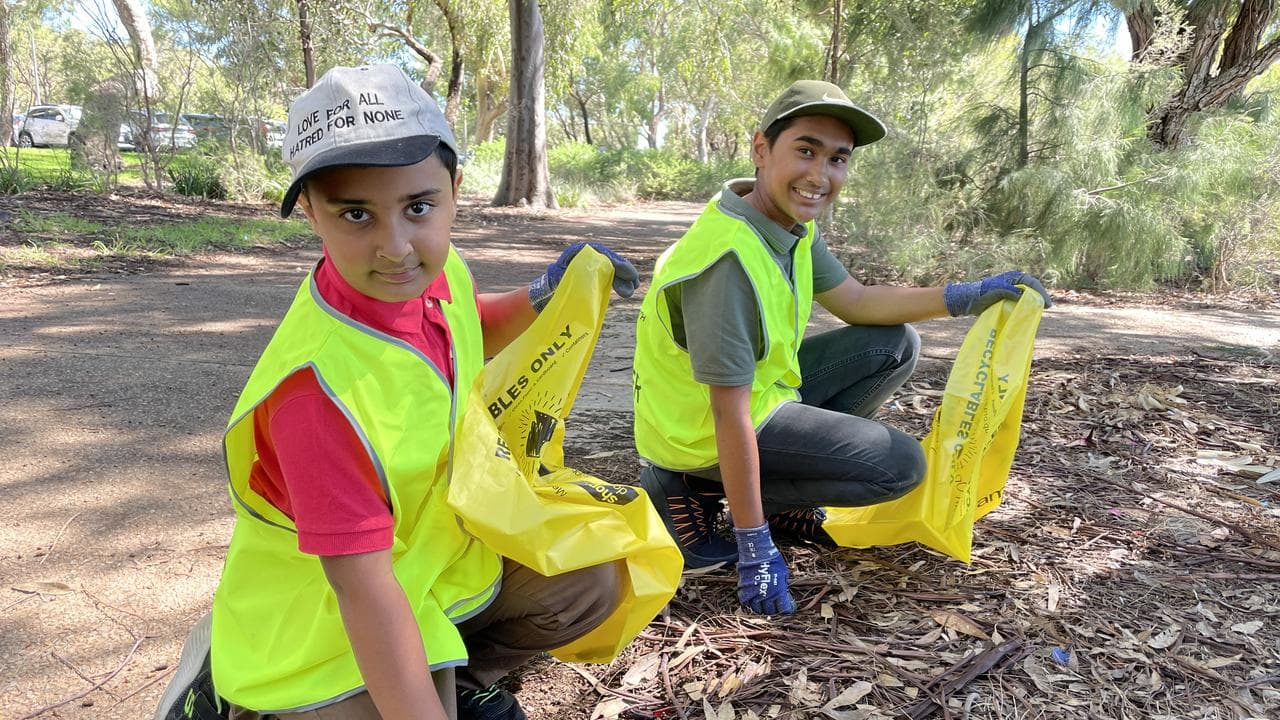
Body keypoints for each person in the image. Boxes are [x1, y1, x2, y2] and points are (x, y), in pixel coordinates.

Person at [153, 64, 640, 720]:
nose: (395, 247)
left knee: (590, 578)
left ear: (454, 190)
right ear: (310, 212)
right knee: (395, 701)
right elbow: (364, 594)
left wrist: (541, 299)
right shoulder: (316, 397)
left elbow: (468, 322)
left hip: (429, 555)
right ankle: (239, 688)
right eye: (356, 213)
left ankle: (464, 678)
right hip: (329, 610)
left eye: (418, 207)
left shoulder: (440, 270)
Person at [631, 80, 1051, 616]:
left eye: (837, 159)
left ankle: (774, 498)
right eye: (805, 150)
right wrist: (753, 545)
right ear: (761, 149)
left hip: (760, 395)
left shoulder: (786, 224)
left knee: (893, 345)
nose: (819, 175)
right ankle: (690, 490)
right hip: (700, 431)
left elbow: (856, 301)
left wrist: (965, 297)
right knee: (899, 466)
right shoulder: (726, 263)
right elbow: (727, 413)